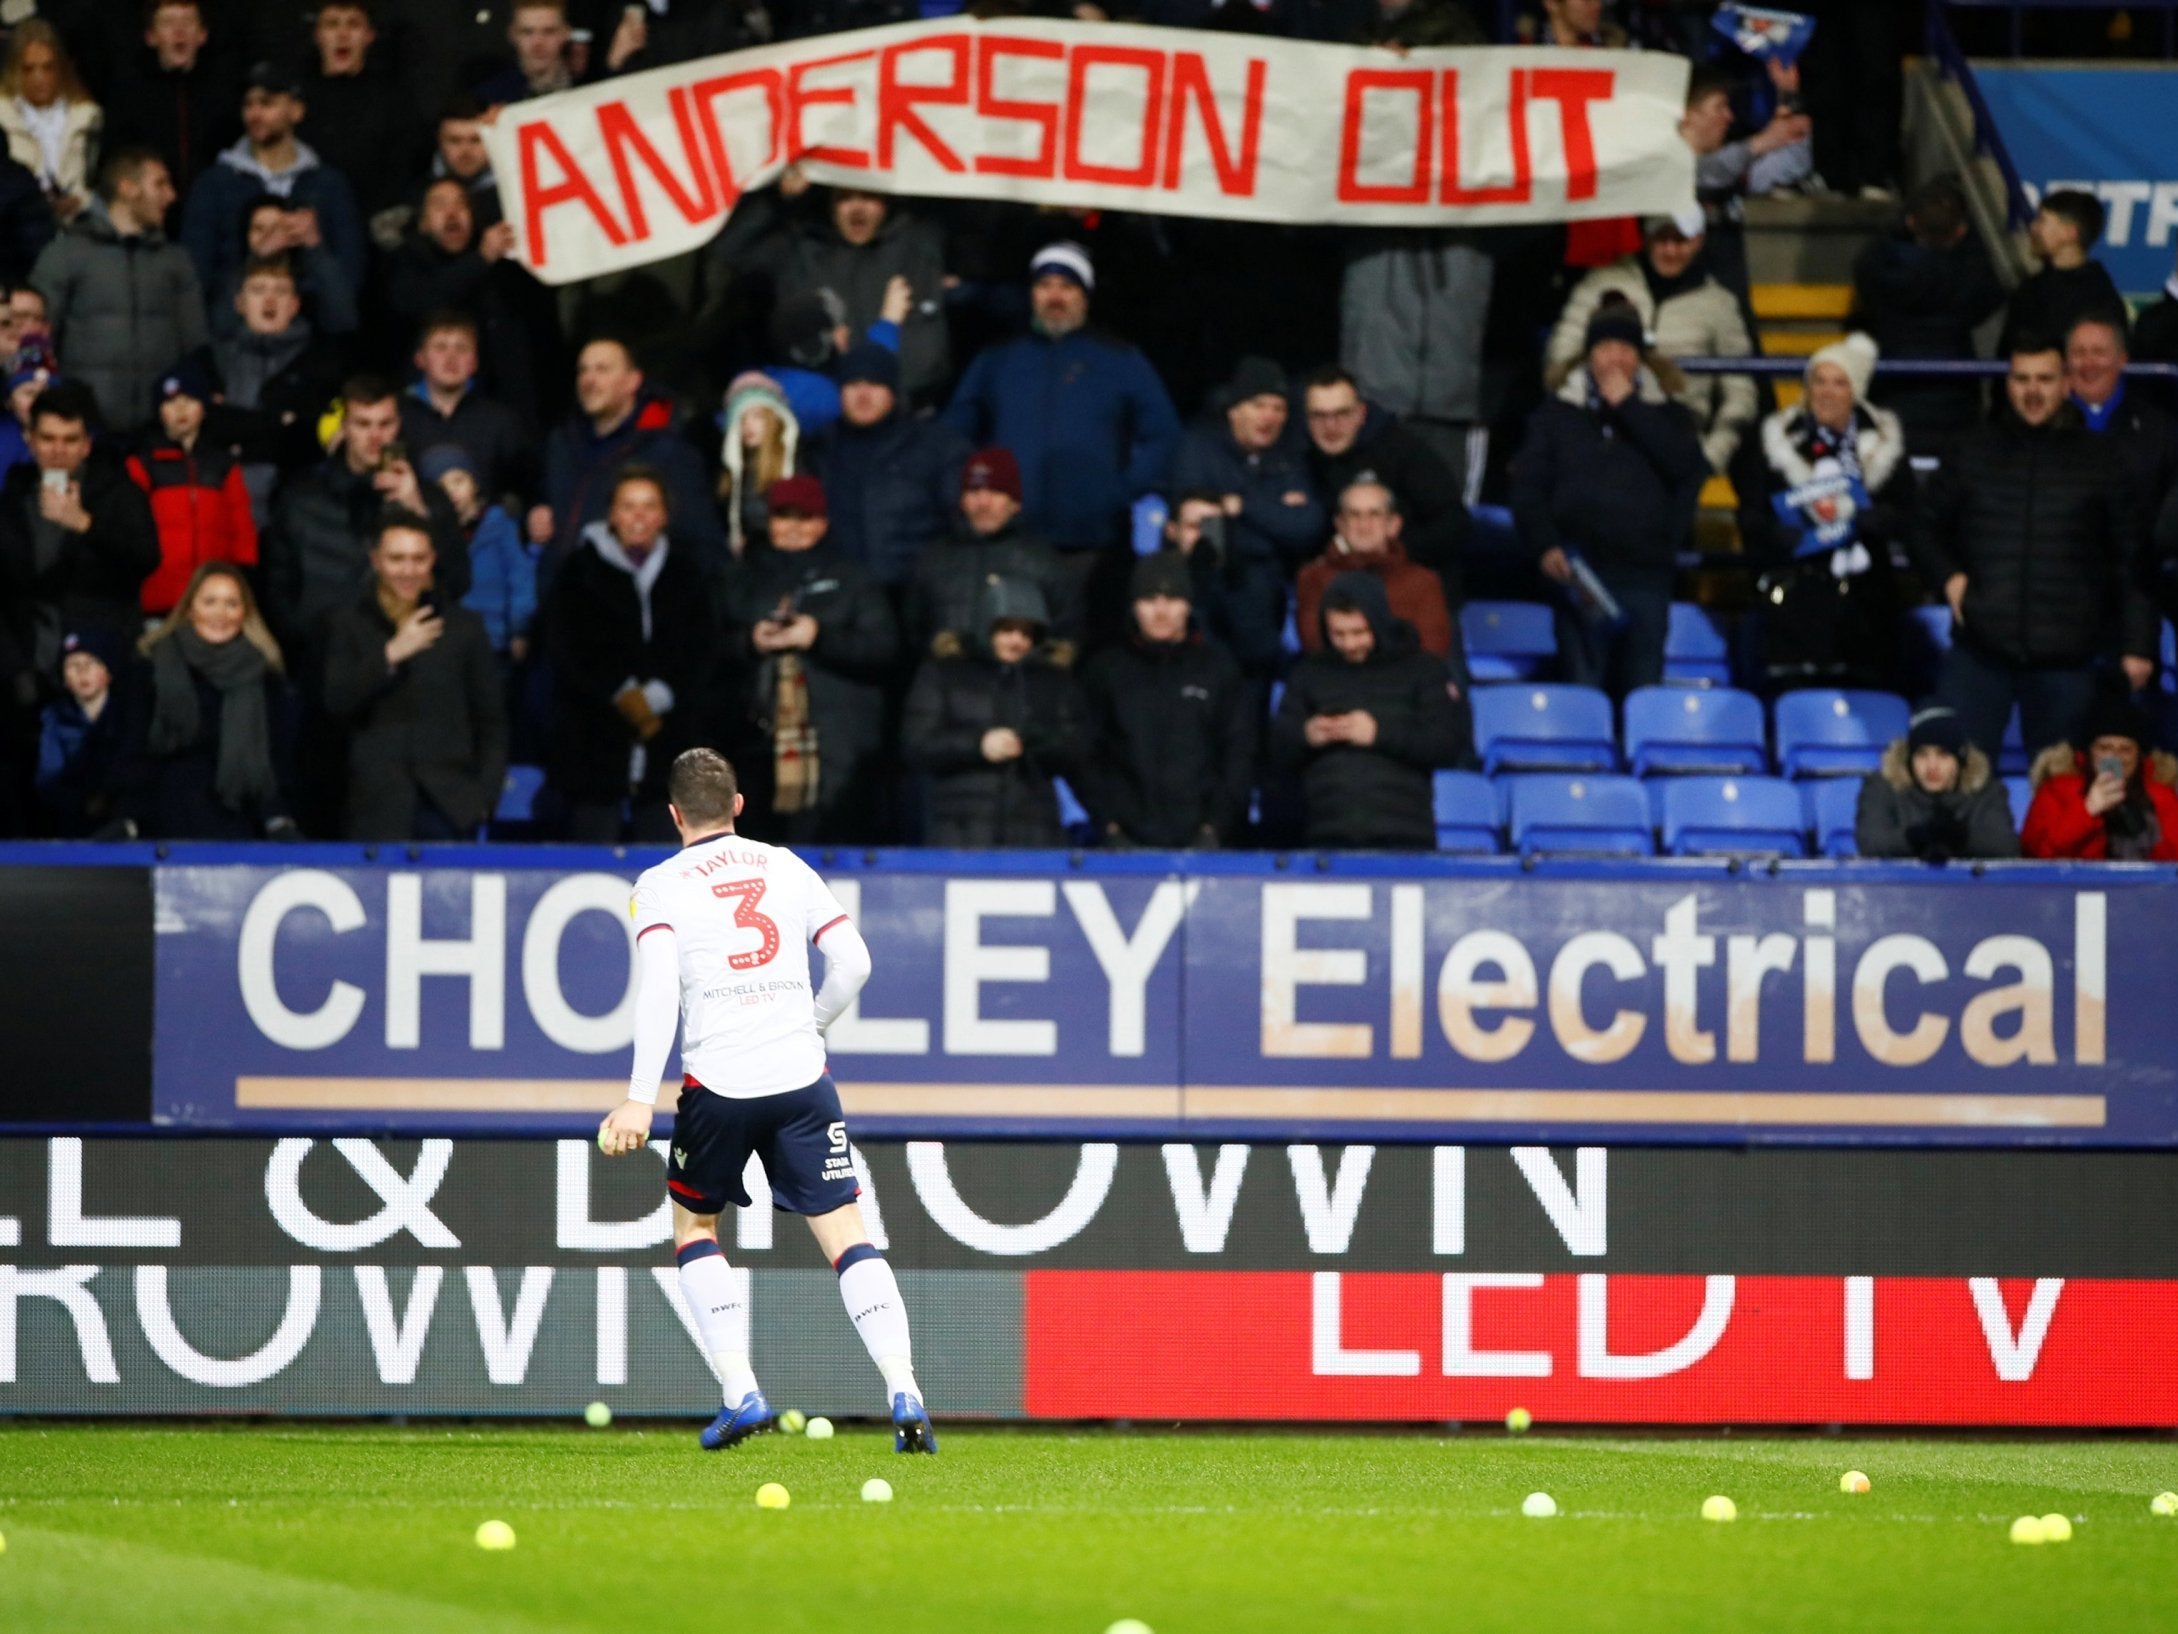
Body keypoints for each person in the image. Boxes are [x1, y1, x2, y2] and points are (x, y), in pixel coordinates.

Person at [595, 746, 936, 1455]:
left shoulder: (659, 884)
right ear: (740, 805)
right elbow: (856, 961)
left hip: (717, 1085)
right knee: (847, 1234)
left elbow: (659, 987)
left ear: (673, 814)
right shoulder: (785, 863)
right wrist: (810, 1022)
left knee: (695, 1229)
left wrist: (636, 1099)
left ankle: (741, 1392)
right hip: (801, 1079)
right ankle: (905, 1388)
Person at [1912, 336, 2156, 762]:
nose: (2033, 391)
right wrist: (1949, 579)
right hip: (1980, 652)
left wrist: (2138, 644)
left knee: (2063, 803)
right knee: (1955, 790)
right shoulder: (1973, 450)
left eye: (2044, 379)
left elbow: (2133, 560)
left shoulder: (2103, 461)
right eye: (2022, 378)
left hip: (2068, 659)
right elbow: (1920, 525)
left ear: (2066, 384)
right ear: (2007, 384)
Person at [1512, 298, 1709, 697]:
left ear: (1640, 358)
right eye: (1605, 348)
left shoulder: (1669, 414)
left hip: (1646, 577)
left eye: (1626, 348)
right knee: (1583, 691)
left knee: (1642, 693)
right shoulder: (1555, 416)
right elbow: (1527, 486)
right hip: (1580, 575)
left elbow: (1687, 467)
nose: (1615, 358)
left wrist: (1630, 407)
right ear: (1589, 355)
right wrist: (1545, 543)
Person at [942, 241, 1180, 562]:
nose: (1055, 297)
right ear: (1032, 294)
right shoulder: (997, 359)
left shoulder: (1120, 359)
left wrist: (1118, 492)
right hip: (1009, 540)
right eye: (1044, 285)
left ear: (1085, 295)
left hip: (1091, 542)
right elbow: (952, 435)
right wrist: (978, 491)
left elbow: (1163, 434)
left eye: (1067, 286)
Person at [537, 465, 717, 843]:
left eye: (649, 506)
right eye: (628, 506)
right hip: (593, 750)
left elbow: (702, 648)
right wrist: (616, 691)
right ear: (612, 514)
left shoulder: (687, 573)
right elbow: (565, 646)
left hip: (668, 755)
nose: (638, 516)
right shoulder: (578, 571)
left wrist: (665, 693)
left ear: (664, 516)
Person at [720, 475, 898, 843]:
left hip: (836, 755)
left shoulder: (853, 578)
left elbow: (884, 649)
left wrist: (818, 637)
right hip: (755, 750)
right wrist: (751, 642)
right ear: (769, 521)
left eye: (805, 517)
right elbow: (706, 652)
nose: (794, 528)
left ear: (823, 523)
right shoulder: (741, 579)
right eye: (784, 517)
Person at [320, 511, 507, 840]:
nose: (408, 570)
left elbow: (491, 721)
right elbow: (335, 703)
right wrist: (390, 655)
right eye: (397, 559)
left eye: (418, 559)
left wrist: (484, 798)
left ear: (432, 559)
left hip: (449, 806)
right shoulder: (347, 624)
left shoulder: (464, 628)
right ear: (376, 560)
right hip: (374, 809)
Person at [1737, 334, 1908, 692]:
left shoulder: (1883, 451)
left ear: (1856, 391)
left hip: (1865, 609)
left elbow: (1912, 515)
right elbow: (1750, 513)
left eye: (1839, 382)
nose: (1827, 392)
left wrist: (1882, 519)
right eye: (1820, 380)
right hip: (1792, 604)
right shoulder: (1775, 443)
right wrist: (1773, 534)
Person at [262, 375, 467, 669]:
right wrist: (307, 642)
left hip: (414, 662)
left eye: (385, 424)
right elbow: (279, 589)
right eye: (363, 424)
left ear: (398, 425)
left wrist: (417, 511)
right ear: (345, 426)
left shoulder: (429, 499)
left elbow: (458, 582)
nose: (375, 436)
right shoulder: (300, 498)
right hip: (323, 662)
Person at [1545, 211, 1758, 476]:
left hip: (1678, 436)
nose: (1670, 250)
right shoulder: (1603, 280)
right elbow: (1562, 354)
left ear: (1699, 241)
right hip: (1596, 425)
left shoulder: (1719, 304)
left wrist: (1710, 456)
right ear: (1646, 238)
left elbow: (1740, 391)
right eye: (1661, 239)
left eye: (1680, 240)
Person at [1269, 571, 1464, 851]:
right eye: (1339, 634)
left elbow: (1446, 744)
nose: (1349, 644)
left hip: (1406, 838)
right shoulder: (1308, 674)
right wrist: (1307, 735)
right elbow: (1277, 750)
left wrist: (1378, 733)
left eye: (1358, 632)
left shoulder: (1423, 669)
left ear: (1379, 623)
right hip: (1326, 837)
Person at [1076, 551, 1254, 849]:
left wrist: (1215, 829)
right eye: (1149, 600)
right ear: (1134, 607)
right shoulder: (1105, 671)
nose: (1161, 611)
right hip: (1121, 847)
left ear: (1188, 605)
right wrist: (1108, 825)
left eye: (1172, 600)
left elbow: (1238, 756)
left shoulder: (1219, 669)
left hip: (1205, 846)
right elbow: (1085, 754)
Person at [721, 184, 951, 406]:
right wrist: (775, 197)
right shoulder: (798, 249)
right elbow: (729, 248)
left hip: (920, 412)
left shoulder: (921, 241)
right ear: (830, 202)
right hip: (823, 415)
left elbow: (979, 224)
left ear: (888, 199)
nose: (857, 208)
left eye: (869, 196)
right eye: (845, 197)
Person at [1166, 354, 1324, 675]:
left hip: (1266, 592)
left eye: (1279, 408)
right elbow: (1202, 529)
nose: (1270, 416)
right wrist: (1273, 514)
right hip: (1206, 586)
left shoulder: (1288, 460)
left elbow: (1306, 528)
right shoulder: (1199, 449)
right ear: (1234, 410)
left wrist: (1243, 506)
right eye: (1259, 405)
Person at [30, 147, 205, 436]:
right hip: (82, 431)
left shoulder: (175, 260)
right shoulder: (65, 254)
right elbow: (38, 336)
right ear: (127, 188)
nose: (171, 196)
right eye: (160, 184)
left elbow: (195, 346)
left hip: (157, 433)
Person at [901, 576, 1085, 847]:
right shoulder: (944, 674)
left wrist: (1037, 742)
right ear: (985, 627)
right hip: (961, 827)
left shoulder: (1053, 681)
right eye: (1007, 629)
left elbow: (1079, 745)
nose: (1016, 640)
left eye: (1026, 633)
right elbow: (916, 743)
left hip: (1034, 826)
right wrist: (978, 746)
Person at [128, 560, 297, 839]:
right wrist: (130, 817)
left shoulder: (264, 675)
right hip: (165, 823)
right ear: (190, 609)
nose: (221, 613)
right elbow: (135, 749)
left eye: (232, 603)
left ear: (245, 612)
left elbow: (277, 760)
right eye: (210, 602)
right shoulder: (153, 666)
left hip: (238, 825)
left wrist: (278, 819)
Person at [0, 383, 159, 676]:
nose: (58, 450)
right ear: (29, 440)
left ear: (87, 445)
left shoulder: (119, 492)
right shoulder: (12, 496)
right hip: (28, 661)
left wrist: (86, 525)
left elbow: (145, 559)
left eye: (70, 440)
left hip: (103, 654)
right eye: (48, 438)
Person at [180, 60, 366, 301]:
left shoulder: (329, 185)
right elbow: (195, 276)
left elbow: (351, 277)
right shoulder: (213, 184)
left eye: (267, 103)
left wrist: (314, 248)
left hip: (312, 330)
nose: (255, 114)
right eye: (248, 104)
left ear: (296, 111)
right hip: (234, 332)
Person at [535, 338, 723, 574]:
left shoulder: (667, 451)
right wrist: (533, 521)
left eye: (602, 369)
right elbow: (548, 509)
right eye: (583, 370)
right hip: (564, 598)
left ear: (633, 381)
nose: (589, 380)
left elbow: (703, 545)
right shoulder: (561, 444)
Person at [803, 342, 967, 590]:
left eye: (875, 384)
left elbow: (960, 522)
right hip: (841, 595)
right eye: (853, 384)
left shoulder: (936, 447)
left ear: (892, 391)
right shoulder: (817, 450)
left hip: (915, 591)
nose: (863, 394)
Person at [1299, 364, 1468, 597]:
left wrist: (1392, 554)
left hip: (1415, 587)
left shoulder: (1403, 450)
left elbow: (1454, 523)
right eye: (1319, 416)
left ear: (1361, 413)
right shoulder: (1299, 458)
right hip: (1340, 593)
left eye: (1341, 414)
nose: (1330, 426)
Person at [205, 252, 349, 520]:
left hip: (293, 503)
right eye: (258, 290)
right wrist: (280, 421)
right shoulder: (213, 360)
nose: (269, 300)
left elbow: (308, 439)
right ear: (239, 303)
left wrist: (238, 426)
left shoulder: (320, 366)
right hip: (221, 498)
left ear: (295, 305)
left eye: (280, 291)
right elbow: (209, 426)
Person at [384, 176, 547, 411]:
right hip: (432, 410)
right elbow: (418, 302)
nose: (452, 213)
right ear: (423, 223)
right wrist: (480, 260)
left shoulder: (502, 262)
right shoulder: (406, 262)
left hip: (502, 404)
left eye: (461, 205)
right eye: (440, 205)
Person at [907, 448, 1076, 659]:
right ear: (962, 501)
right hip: (949, 685)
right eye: (974, 492)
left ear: (1015, 503)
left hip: (1020, 686)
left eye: (995, 492)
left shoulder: (1045, 562)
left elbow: (1065, 638)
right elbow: (914, 635)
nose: (983, 503)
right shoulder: (933, 559)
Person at [2065, 313, 2178, 618]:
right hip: (2058, 585)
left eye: (2099, 353)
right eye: (2078, 353)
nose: (2089, 363)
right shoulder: (2040, 428)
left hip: (2142, 584)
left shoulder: (2161, 430)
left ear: (2123, 360)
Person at [128, 361, 257, 619]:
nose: (181, 408)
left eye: (190, 399)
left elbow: (241, 525)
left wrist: (243, 577)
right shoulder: (143, 463)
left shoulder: (222, 464)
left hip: (213, 599)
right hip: (158, 595)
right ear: (158, 411)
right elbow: (130, 531)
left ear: (204, 406)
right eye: (171, 402)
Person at [1296, 480, 1455, 660]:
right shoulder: (1313, 576)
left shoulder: (1423, 581)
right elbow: (1315, 646)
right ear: (1339, 524)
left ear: (1393, 524)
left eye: (1374, 514)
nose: (1364, 525)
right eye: (1354, 515)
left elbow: (1432, 651)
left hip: (1406, 683)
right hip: (1336, 683)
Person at [103, 0, 238, 211]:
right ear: (151, 37)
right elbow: (115, 161)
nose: (179, 31)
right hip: (147, 213)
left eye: (188, 21)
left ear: (202, 34)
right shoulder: (129, 96)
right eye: (168, 22)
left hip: (210, 212)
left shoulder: (224, 95)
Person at [297, 1, 421, 217]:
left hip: (374, 222)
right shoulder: (296, 98)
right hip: (307, 217)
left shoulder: (393, 99)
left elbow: (403, 166)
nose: (342, 34)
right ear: (318, 35)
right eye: (332, 24)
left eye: (353, 24)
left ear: (369, 35)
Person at [2021, 693, 2178, 862]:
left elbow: (2172, 866)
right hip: (2071, 886)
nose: (2115, 757)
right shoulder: (2056, 791)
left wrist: (2141, 823)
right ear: (2088, 753)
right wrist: (2087, 809)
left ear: (2139, 757)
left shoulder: (2162, 797)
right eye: (2104, 748)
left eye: (2125, 749)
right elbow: (2038, 857)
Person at [398, 311, 530, 506]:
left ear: (474, 362)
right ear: (420, 359)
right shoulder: (395, 416)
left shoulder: (500, 421)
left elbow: (525, 487)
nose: (451, 357)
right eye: (440, 347)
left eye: (462, 348)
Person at [1854, 705, 2018, 862]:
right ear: (1909, 759)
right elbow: (1871, 842)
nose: (1932, 766)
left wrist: (1959, 837)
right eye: (1922, 754)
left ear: (1960, 761)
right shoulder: (1883, 786)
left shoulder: (1986, 791)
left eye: (1943, 754)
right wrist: (1915, 837)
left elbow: (2005, 846)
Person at [423, 444, 533, 665]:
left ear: (474, 483)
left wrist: (520, 630)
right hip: (446, 643)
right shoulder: (428, 533)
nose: (451, 491)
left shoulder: (501, 525)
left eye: (458, 480)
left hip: (494, 641)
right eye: (441, 485)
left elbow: (521, 580)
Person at [207, 192, 359, 341]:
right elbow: (221, 327)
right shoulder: (230, 277)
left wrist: (314, 247)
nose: (269, 237)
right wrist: (259, 256)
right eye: (259, 229)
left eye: (277, 228)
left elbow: (344, 321)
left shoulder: (311, 279)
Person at [2000, 191, 2127, 363]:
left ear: (2070, 233)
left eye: (2042, 220)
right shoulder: (2028, 289)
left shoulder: (2100, 299)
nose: (2033, 228)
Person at [35, 625, 135, 837]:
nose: (82, 672)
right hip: (73, 822)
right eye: (72, 665)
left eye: (91, 663)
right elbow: (49, 777)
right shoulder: (55, 718)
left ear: (109, 672)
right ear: (63, 678)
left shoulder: (129, 715)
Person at [0, 21, 101, 224]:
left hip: (78, 226)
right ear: (15, 70)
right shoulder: (3, 117)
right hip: (17, 226)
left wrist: (80, 200)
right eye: (29, 69)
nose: (39, 78)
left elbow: (103, 182)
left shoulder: (87, 117)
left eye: (48, 67)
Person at [717, 370, 797, 558]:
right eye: (741, 418)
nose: (748, 425)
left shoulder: (799, 463)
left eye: (758, 416)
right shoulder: (731, 471)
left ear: (775, 418)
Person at [472, 1, 579, 107]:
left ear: (566, 33)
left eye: (549, 31)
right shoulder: (488, 97)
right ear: (512, 34)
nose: (538, 42)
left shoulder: (588, 86)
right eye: (527, 32)